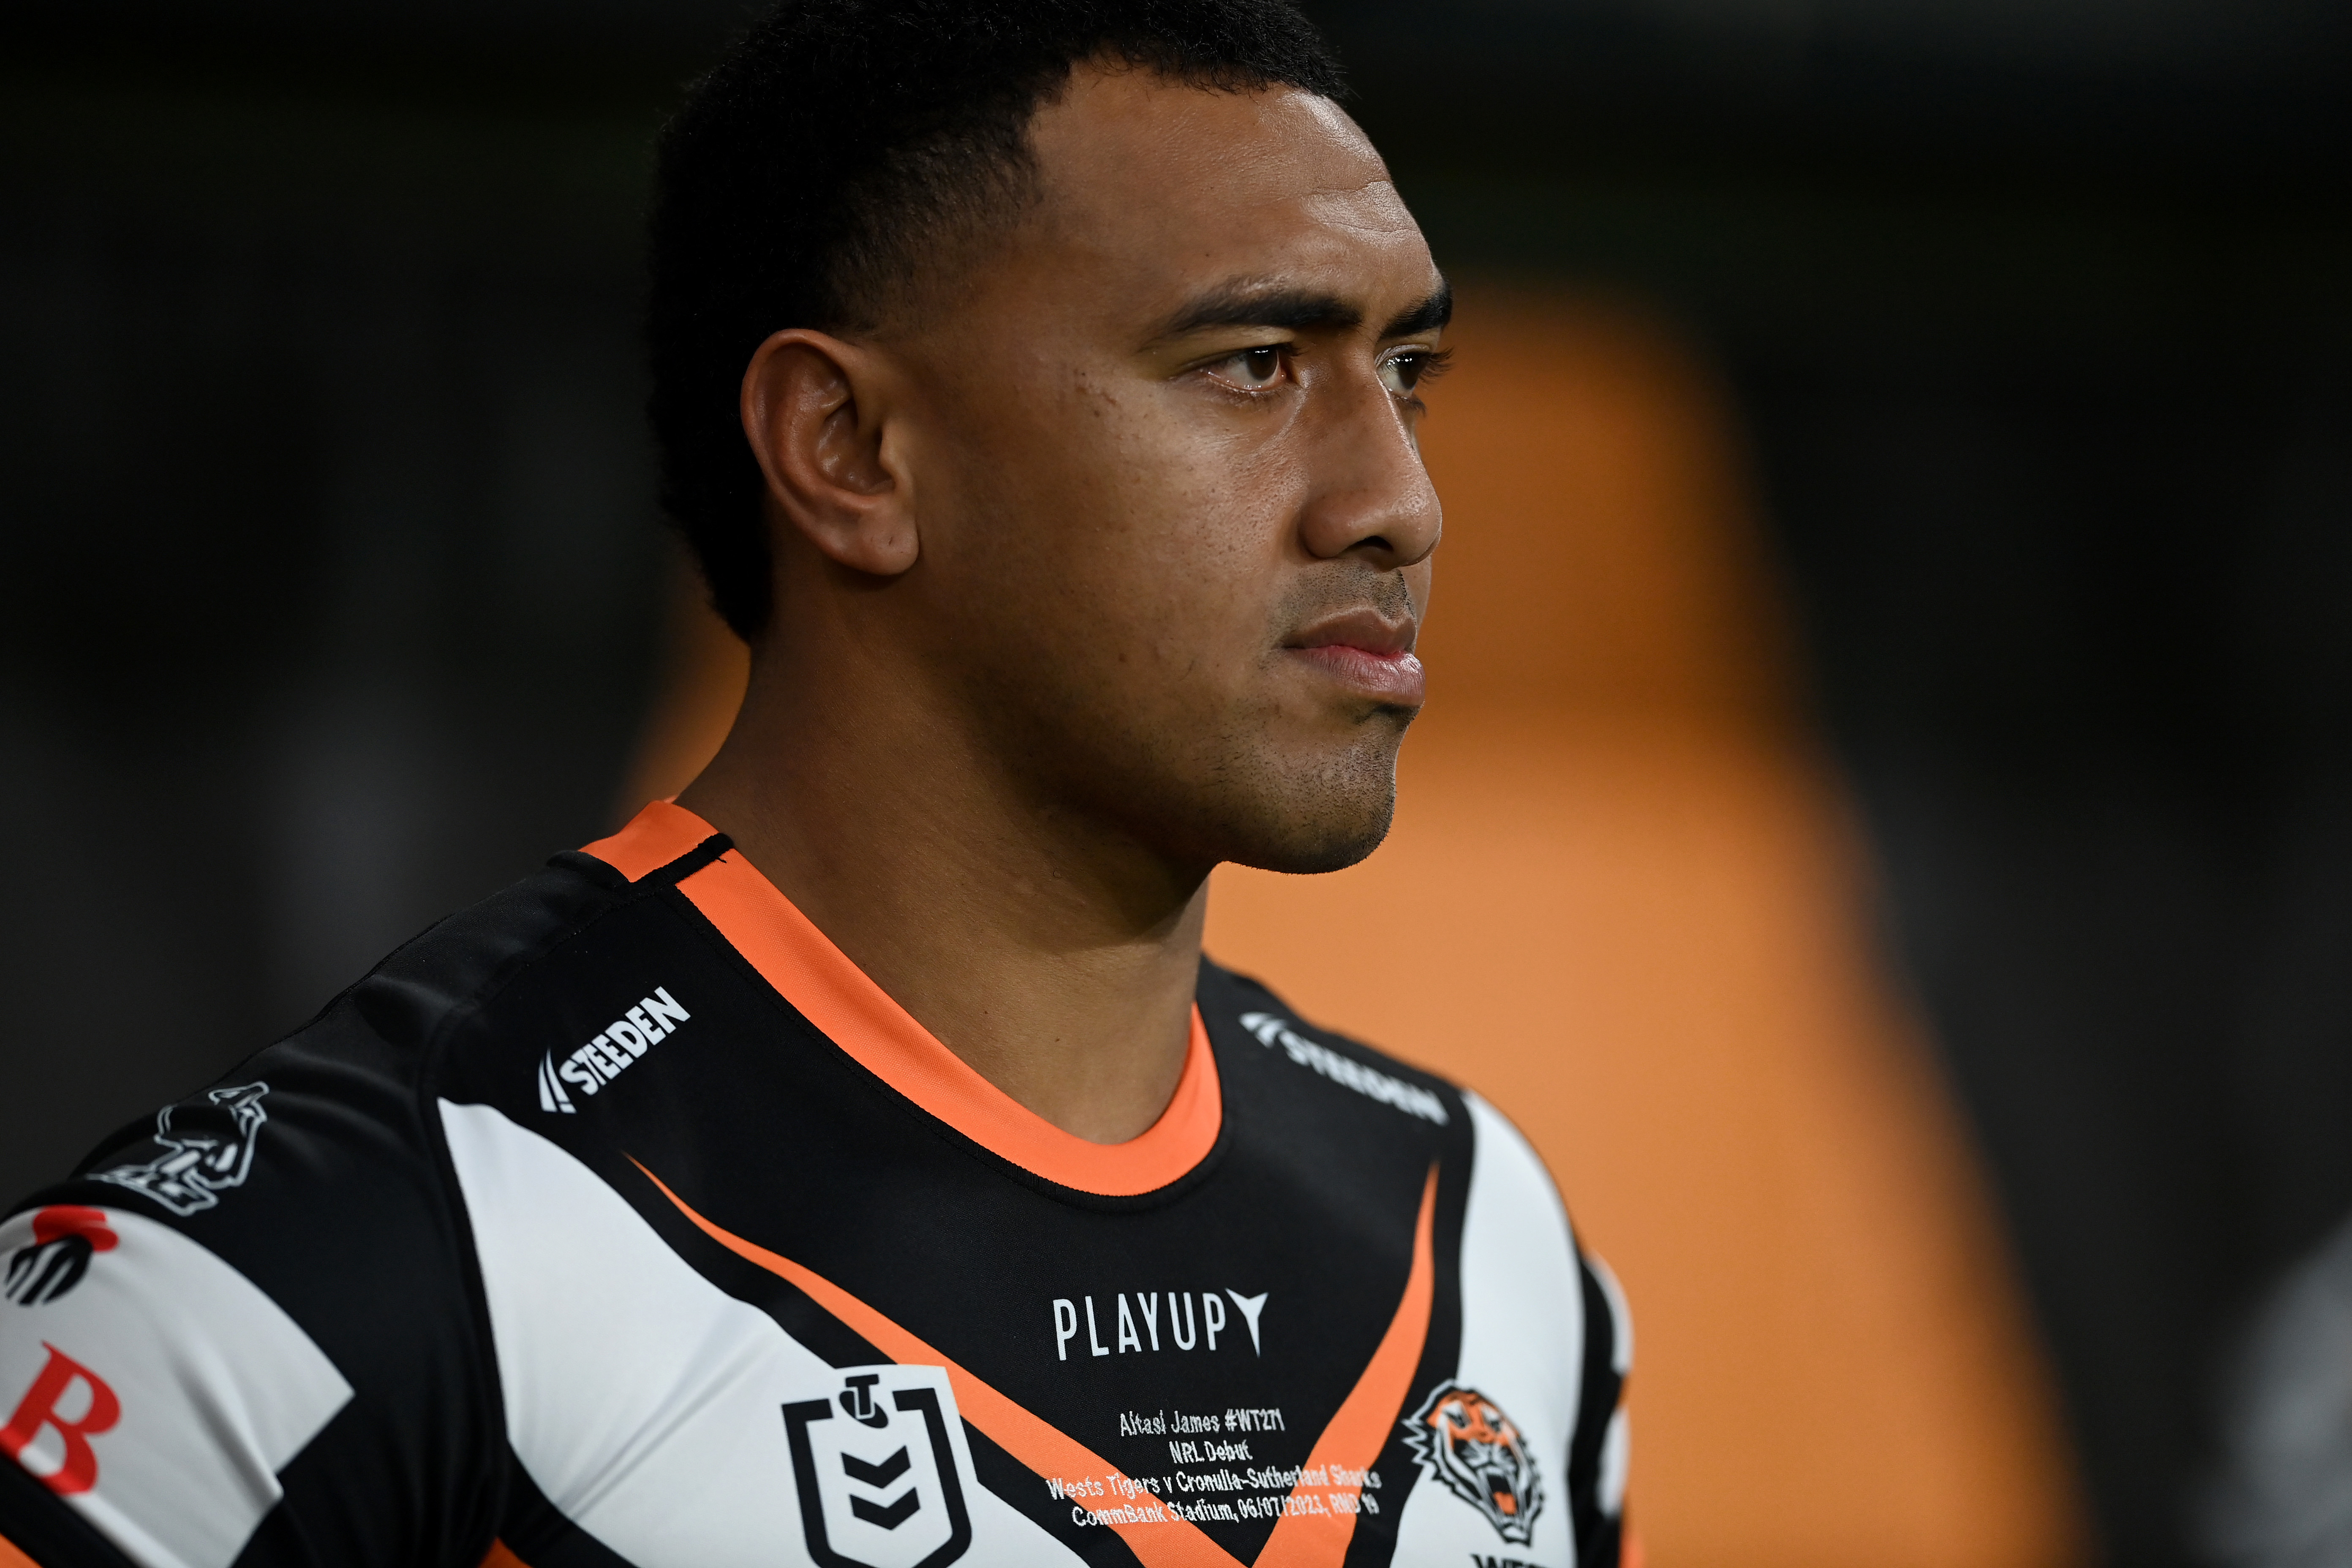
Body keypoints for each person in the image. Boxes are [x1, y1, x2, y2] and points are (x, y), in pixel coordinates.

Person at [0, 1, 1631, 1563]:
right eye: (1255, 362)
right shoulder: (348, 1245)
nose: (1400, 502)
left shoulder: (1486, 1250)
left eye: (1406, 370)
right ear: (848, 450)